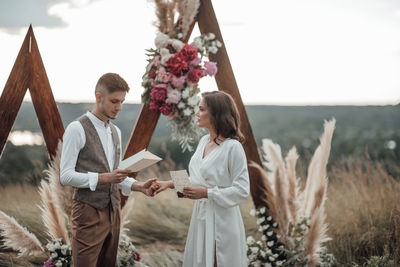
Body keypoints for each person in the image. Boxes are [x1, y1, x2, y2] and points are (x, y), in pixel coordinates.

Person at [60, 73, 158, 267]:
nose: (119, 107)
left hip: (114, 212)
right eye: (114, 101)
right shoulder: (76, 128)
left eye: (122, 101)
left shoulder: (115, 131)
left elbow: (116, 175)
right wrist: (105, 178)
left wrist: (139, 186)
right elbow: (65, 176)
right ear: (98, 97)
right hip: (87, 212)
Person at [155, 91, 250, 267]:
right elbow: (198, 180)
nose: (197, 114)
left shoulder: (233, 147)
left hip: (222, 220)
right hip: (201, 218)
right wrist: (168, 184)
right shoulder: (204, 141)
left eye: (201, 109)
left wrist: (207, 193)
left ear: (216, 113)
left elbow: (242, 190)